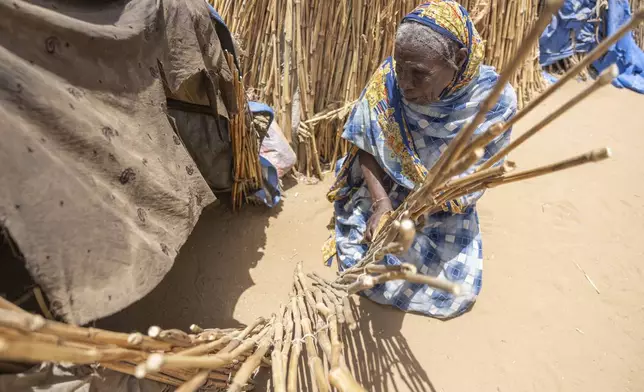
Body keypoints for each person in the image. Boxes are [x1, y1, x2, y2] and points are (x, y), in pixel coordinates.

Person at [323, 0, 517, 319]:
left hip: (441, 204)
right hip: (388, 191)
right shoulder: (389, 79)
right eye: (401, 68)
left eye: (420, 75)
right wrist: (381, 203)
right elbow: (365, 143)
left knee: (451, 287)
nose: (405, 84)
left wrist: (417, 211)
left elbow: (469, 186)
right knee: (362, 252)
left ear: (459, 60)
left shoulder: (492, 106)